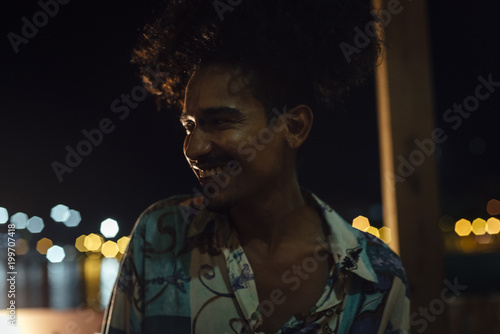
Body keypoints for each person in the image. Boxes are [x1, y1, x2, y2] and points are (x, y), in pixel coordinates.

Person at [102, 0, 410, 333]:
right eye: (189, 126)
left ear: (293, 127)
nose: (193, 147)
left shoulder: (376, 279)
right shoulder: (159, 239)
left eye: (219, 121)